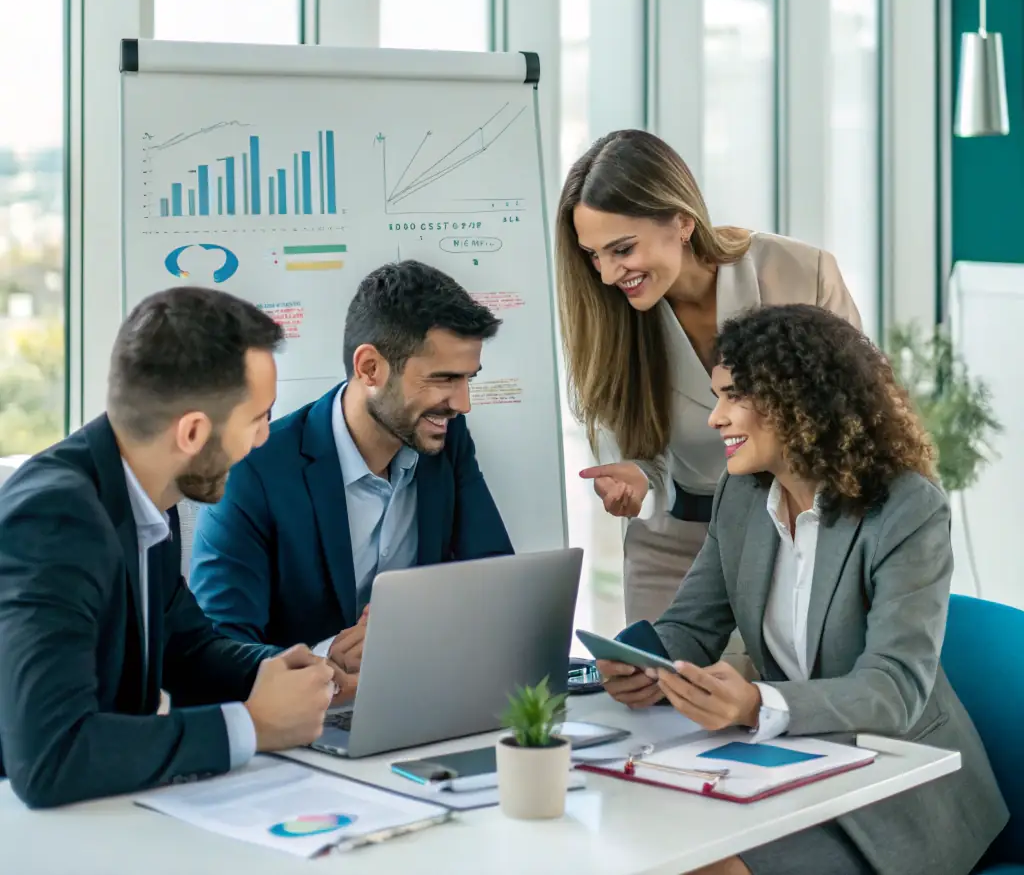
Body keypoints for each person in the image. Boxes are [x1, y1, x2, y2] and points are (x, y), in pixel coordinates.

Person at [597, 304, 1007, 875]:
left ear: (801, 401)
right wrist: (646, 664)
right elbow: (691, 625)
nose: (716, 418)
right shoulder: (740, 497)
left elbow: (895, 689)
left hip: (895, 787)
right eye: (717, 396)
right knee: (638, 841)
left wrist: (757, 702)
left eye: (734, 395)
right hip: (791, 765)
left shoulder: (906, 508)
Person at [0, 287, 337, 810]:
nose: (265, 438)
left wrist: (297, 672)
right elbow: (52, 756)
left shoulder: (149, 494)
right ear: (194, 432)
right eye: (258, 418)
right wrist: (251, 726)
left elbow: (187, 649)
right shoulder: (54, 521)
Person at [557, 128, 861, 624]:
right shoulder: (609, 321)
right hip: (676, 548)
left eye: (622, 249)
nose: (609, 275)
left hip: (802, 535)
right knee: (653, 692)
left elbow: (861, 415)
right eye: (594, 256)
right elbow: (644, 460)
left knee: (772, 698)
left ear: (681, 221)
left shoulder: (800, 273)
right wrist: (638, 475)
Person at [190, 260, 514, 690]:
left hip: (418, 697)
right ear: (370, 369)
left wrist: (419, 628)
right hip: (303, 724)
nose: (462, 403)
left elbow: (497, 585)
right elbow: (219, 650)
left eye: (468, 379)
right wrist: (327, 662)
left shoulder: (444, 440)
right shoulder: (255, 472)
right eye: (444, 379)